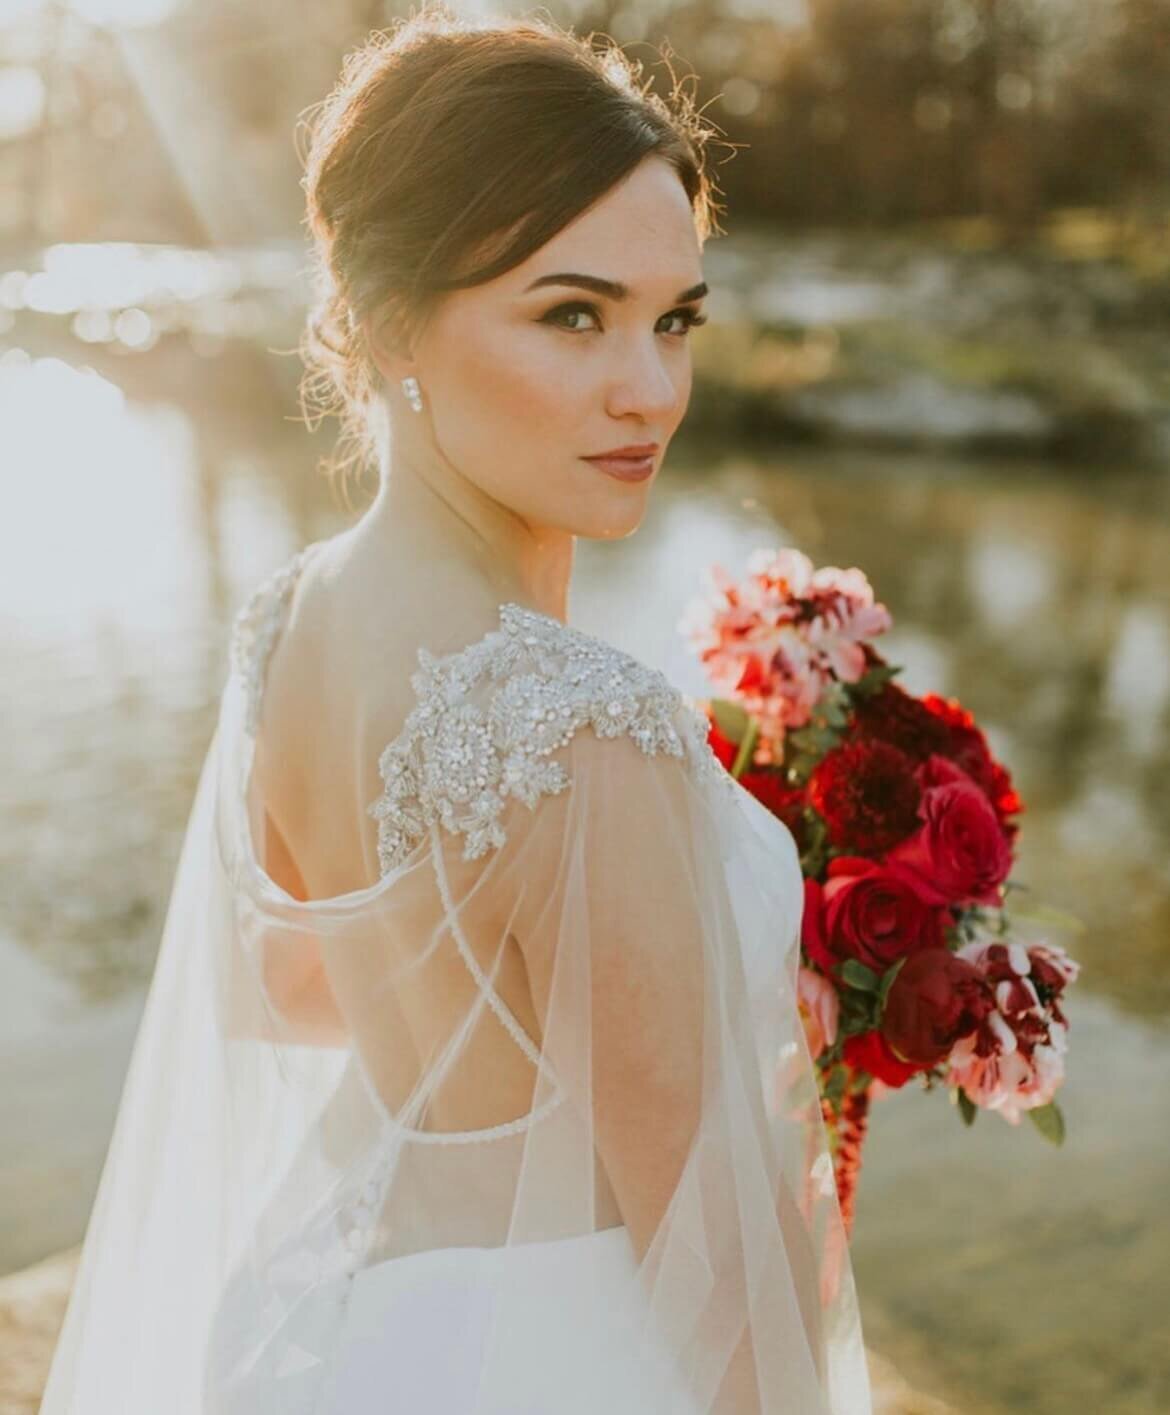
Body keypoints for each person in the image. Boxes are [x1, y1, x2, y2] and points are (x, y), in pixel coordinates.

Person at [38, 6, 873, 1412]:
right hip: (566, 1357)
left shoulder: (287, 618)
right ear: (379, 319)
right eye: (570, 315)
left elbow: (314, 988)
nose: (647, 390)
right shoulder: (583, 727)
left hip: (355, 1333)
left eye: (671, 320)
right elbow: (726, 1284)